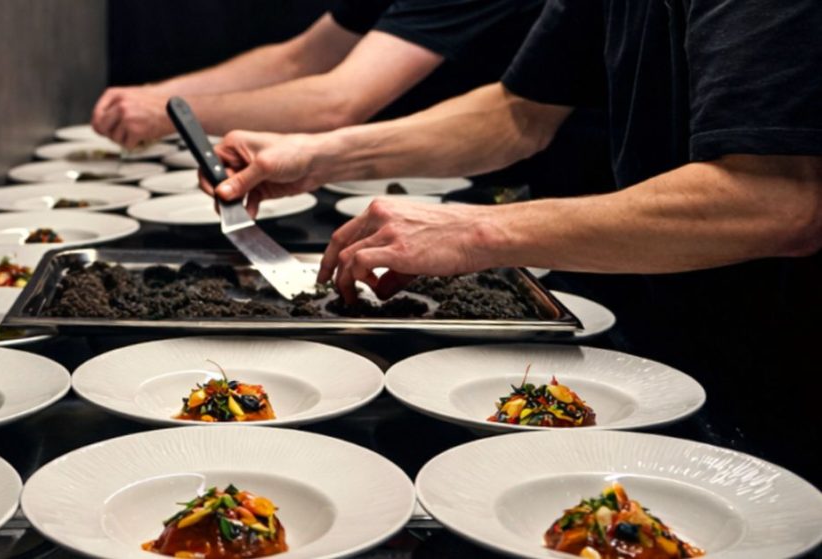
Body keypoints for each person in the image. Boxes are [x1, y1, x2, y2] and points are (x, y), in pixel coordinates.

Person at [201, 1, 822, 481]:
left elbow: (775, 201)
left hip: (784, 383)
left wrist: (476, 231)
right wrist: (320, 155)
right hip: (672, 336)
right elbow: (517, 113)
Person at [91, 0, 544, 149]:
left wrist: (171, 113)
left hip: (513, 191)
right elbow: (302, 58)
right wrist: (151, 97)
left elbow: (339, 102)